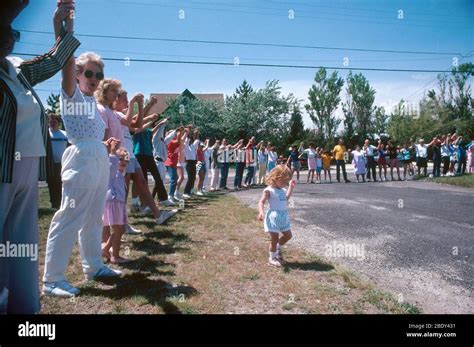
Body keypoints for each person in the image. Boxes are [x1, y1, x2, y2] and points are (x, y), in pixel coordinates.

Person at [1, 0, 80, 311]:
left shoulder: (16, 69)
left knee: (21, 246)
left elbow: (54, 59)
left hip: (27, 166)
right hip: (3, 166)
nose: (11, 38)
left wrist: (62, 24)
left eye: (12, 35)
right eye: (5, 33)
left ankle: (24, 309)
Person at [257, 165, 295, 267]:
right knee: (274, 238)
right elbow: (261, 202)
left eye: (287, 182)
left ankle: (278, 248)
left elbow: (285, 199)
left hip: (283, 216)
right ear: (275, 177)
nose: (285, 184)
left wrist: (290, 188)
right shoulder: (269, 190)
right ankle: (272, 258)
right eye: (284, 182)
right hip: (273, 217)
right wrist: (261, 212)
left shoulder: (282, 190)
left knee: (288, 235)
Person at [102, 145, 130, 264]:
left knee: (120, 229)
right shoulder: (112, 171)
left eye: (126, 159)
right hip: (113, 202)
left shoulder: (120, 173)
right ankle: (115, 256)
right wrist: (113, 152)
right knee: (119, 230)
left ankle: (106, 248)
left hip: (117, 203)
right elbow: (112, 163)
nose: (124, 161)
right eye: (120, 158)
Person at [47, 113, 68, 209]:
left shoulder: (65, 134)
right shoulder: (46, 134)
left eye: (54, 122)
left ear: (59, 123)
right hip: (50, 164)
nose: (52, 124)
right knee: (52, 184)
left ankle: (61, 204)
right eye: (50, 122)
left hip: (63, 164)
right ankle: (54, 204)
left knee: (61, 183)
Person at [165, 127, 188, 201]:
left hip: (173, 163)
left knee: (175, 179)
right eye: (172, 133)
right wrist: (180, 132)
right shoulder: (170, 142)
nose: (174, 134)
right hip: (170, 162)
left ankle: (172, 195)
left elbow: (181, 140)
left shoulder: (174, 141)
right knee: (173, 179)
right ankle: (170, 196)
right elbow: (179, 140)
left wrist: (185, 132)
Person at [183, 127, 200, 198]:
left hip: (193, 163)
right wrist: (189, 131)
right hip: (189, 163)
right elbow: (187, 139)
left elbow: (197, 140)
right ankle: (186, 192)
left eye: (192, 140)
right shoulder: (186, 146)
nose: (191, 141)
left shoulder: (193, 146)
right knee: (190, 178)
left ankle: (189, 191)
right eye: (190, 140)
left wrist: (196, 133)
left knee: (193, 178)